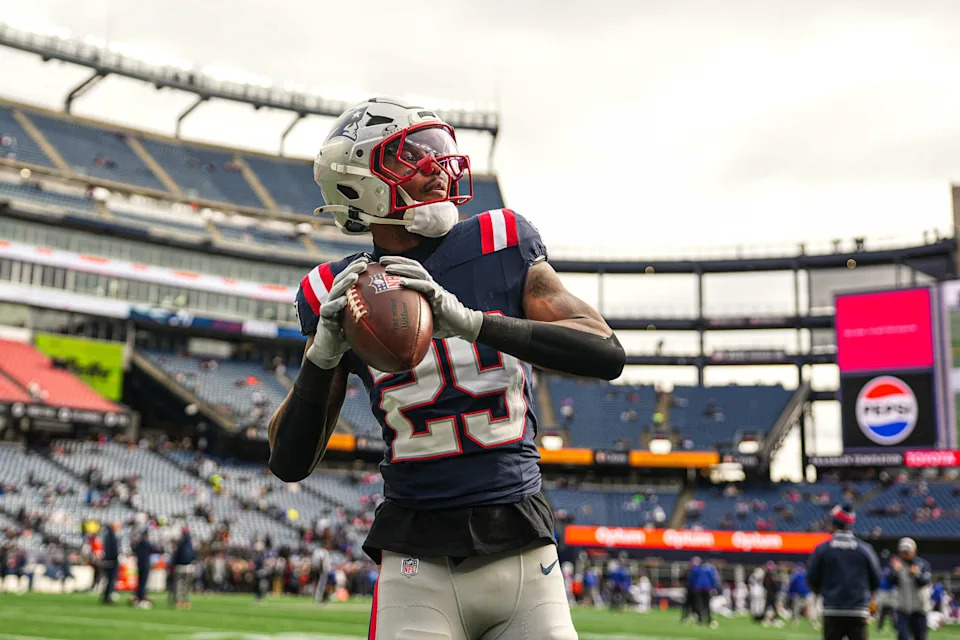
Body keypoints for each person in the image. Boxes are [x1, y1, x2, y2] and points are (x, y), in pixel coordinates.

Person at [269, 98, 624, 640]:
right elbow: (290, 462)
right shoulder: (333, 291)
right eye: (410, 156)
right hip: (417, 562)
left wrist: (476, 324)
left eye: (437, 150)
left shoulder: (501, 240)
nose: (438, 166)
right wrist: (321, 358)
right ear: (359, 182)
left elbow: (605, 352)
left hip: (523, 544)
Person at [808, 505, 882, 640]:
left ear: (833, 525)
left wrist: (822, 591)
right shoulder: (865, 549)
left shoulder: (823, 549)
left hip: (832, 608)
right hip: (858, 609)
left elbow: (812, 579)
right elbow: (876, 580)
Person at [888, 537, 931, 640]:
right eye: (903, 552)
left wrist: (916, 574)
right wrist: (895, 571)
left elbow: (924, 582)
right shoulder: (896, 565)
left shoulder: (922, 564)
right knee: (903, 636)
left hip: (919, 609)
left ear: (914, 551)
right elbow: (890, 582)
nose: (905, 554)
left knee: (920, 637)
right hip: (902, 609)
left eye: (907, 552)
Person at [132, 529, 159, 607]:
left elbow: (134, 550)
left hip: (139, 565)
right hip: (145, 565)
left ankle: (138, 596)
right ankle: (142, 597)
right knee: (143, 583)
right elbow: (155, 550)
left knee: (140, 582)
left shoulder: (139, 543)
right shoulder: (146, 543)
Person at [172, 526, 196, 610]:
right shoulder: (190, 543)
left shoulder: (180, 542)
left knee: (179, 585)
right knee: (186, 585)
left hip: (180, 566)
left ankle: (179, 601)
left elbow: (176, 555)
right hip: (188, 566)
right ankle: (185, 601)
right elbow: (193, 555)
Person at [789, 562, 818, 628]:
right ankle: (796, 621)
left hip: (807, 593)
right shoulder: (797, 575)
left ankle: (813, 622)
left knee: (810, 608)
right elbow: (792, 586)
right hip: (800, 594)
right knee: (796, 608)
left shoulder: (803, 575)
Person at [100, 521, 120, 605]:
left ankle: (106, 596)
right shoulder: (111, 536)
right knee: (111, 580)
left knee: (108, 580)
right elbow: (113, 551)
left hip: (108, 561)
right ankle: (107, 597)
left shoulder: (107, 536)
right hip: (111, 562)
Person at [876, 562, 896, 632]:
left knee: (885, 610)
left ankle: (880, 627)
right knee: (891, 610)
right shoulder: (891, 570)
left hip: (883, 591)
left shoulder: (883, 570)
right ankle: (893, 627)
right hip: (888, 592)